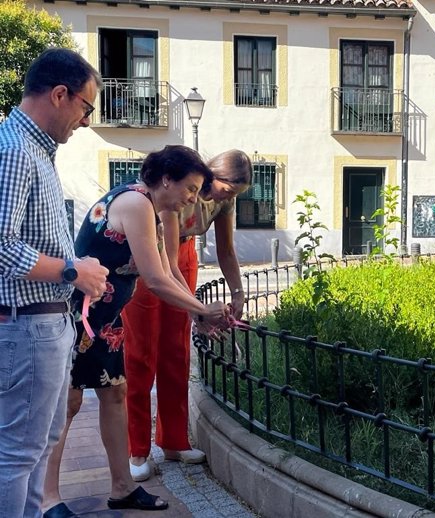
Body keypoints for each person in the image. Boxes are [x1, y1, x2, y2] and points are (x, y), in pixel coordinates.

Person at [41, 145, 232, 517]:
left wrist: (198, 313)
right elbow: (156, 280)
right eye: (190, 189)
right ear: (166, 179)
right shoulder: (134, 203)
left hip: (105, 321)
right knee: (69, 405)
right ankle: (48, 499)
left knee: (115, 395)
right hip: (79, 315)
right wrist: (203, 310)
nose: (193, 199)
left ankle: (122, 488)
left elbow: (172, 272)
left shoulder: (153, 210)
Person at [0, 48, 110, 518]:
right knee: (18, 454)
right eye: (85, 107)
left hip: (42, 325)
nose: (86, 121)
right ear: (60, 94)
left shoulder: (34, 150)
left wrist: (73, 264)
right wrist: (72, 271)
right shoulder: (16, 151)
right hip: (25, 326)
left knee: (38, 445)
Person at [123, 149, 253, 481]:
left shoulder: (224, 202)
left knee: (177, 351)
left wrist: (237, 293)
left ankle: (173, 440)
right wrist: (197, 309)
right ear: (213, 174)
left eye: (235, 194)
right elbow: (163, 266)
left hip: (185, 257)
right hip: (151, 257)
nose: (228, 196)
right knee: (140, 354)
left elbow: (226, 250)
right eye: (227, 188)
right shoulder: (181, 191)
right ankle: (136, 450)